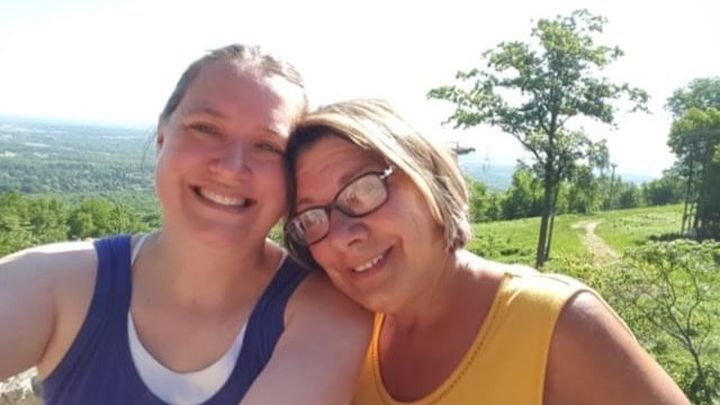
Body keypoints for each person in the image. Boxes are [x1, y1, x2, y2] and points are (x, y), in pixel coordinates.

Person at [0, 45, 371, 405]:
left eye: (268, 146)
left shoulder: (322, 314)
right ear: (162, 137)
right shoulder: (53, 282)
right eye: (206, 128)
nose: (230, 167)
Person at [283, 99, 690, 404]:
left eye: (363, 190)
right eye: (312, 218)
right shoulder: (337, 339)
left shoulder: (556, 326)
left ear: (429, 178)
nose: (343, 235)